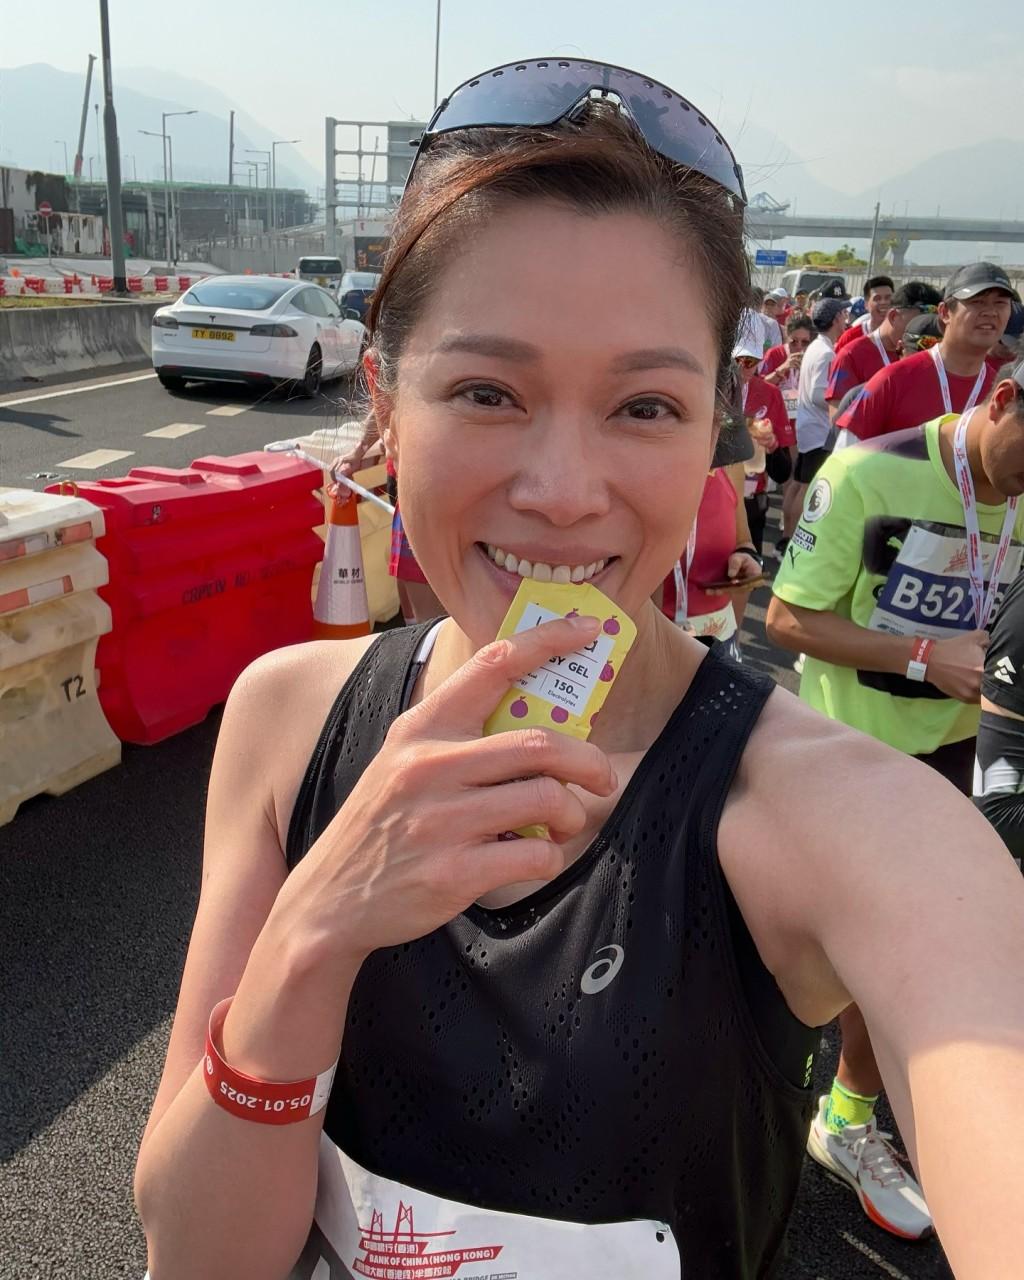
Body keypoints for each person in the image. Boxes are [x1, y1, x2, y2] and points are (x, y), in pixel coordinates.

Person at [134, 60, 1024, 1280]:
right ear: (387, 404)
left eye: (644, 407)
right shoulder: (289, 717)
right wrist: (311, 934)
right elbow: (193, 1253)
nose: (561, 492)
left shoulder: (845, 816)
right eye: (487, 391)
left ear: (714, 426)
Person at [766, 362, 1024, 1238]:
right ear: (1002, 400)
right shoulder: (867, 473)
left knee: (933, 954)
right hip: (851, 757)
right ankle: (813, 1117)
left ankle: (856, 1118)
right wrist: (922, 656)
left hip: (970, 753)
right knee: (846, 962)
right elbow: (787, 621)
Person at [836, 262, 1019, 446]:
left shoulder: (1005, 394)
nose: (991, 312)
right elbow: (842, 460)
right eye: (977, 302)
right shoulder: (891, 382)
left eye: (1000, 303)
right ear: (945, 312)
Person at [335, 414, 444, 623]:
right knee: (408, 575)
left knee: (429, 610)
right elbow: (382, 405)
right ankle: (413, 630)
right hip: (406, 485)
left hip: (427, 490)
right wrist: (358, 452)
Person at [826, 282, 943, 419]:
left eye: (930, 324)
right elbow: (837, 417)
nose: (925, 330)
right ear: (893, 316)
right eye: (919, 323)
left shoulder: (926, 353)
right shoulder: (851, 356)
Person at [732, 341, 792, 555]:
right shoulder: (708, 388)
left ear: (759, 362)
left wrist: (772, 445)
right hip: (710, 500)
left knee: (748, 567)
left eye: (749, 361)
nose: (741, 367)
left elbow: (782, 472)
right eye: (735, 361)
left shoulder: (770, 394)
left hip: (752, 501)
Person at [762, 316, 814, 548]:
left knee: (792, 476)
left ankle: (788, 522)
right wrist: (782, 369)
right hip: (774, 421)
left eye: (805, 342)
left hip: (799, 421)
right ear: (787, 338)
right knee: (771, 474)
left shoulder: (812, 356)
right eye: (794, 342)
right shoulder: (774, 354)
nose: (799, 347)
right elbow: (759, 384)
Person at [792, 296, 849, 508]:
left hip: (809, 427)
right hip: (818, 431)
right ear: (836, 319)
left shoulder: (817, 347)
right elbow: (818, 394)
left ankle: (788, 527)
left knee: (799, 485)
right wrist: (843, 406)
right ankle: (793, 528)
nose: (846, 319)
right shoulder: (826, 352)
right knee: (809, 489)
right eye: (843, 314)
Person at [834, 274, 895, 353]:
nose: (883, 302)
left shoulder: (900, 336)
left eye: (888, 298)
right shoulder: (850, 337)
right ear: (866, 304)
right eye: (877, 298)